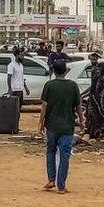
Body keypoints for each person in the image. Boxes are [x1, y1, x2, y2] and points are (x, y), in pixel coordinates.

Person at [39, 60, 83, 194]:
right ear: (65, 71)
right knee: (65, 155)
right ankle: (62, 186)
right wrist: (82, 122)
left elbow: (44, 106)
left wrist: (41, 123)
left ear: (53, 70)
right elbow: (78, 107)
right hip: (67, 127)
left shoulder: (49, 85)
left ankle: (51, 179)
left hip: (51, 126)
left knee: (50, 151)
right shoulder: (73, 86)